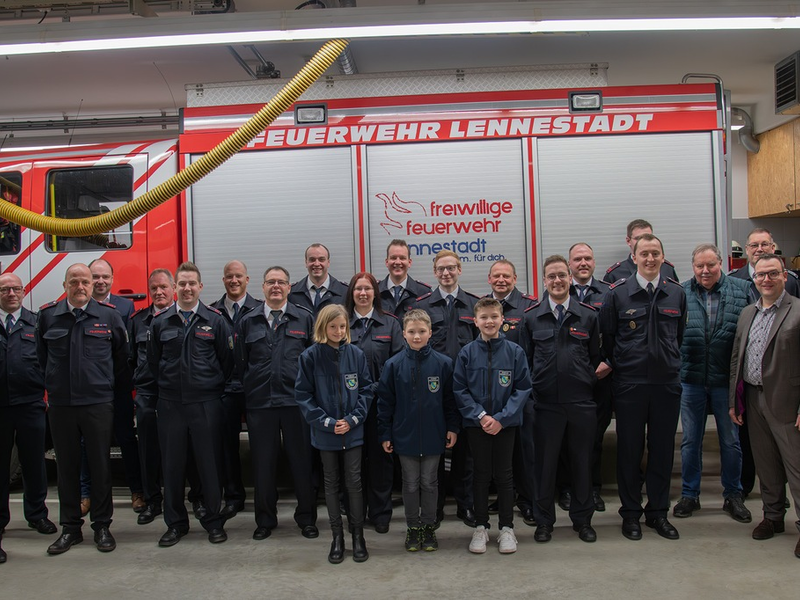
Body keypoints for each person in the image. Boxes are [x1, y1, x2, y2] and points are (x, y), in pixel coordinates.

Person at [599, 233, 686, 541]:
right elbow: (608, 338)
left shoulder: (676, 293)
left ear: (663, 257)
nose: (650, 259)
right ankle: (631, 513)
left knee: (662, 451)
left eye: (656, 253)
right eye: (644, 253)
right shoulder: (618, 294)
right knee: (629, 451)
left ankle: (658, 513)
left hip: (666, 384)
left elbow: (679, 336)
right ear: (633, 257)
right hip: (630, 385)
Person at [36, 263, 128, 555]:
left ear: (92, 285)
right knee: (67, 468)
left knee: (101, 466)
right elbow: (41, 357)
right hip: (62, 405)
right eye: (74, 281)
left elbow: (121, 358)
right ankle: (70, 528)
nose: (80, 286)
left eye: (85, 281)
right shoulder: (48, 316)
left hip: (98, 403)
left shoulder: (109, 316)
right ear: (65, 285)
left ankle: (102, 526)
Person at [147, 262, 233, 547]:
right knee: (171, 468)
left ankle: (213, 521)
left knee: (209, 467)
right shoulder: (160, 323)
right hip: (171, 405)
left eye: (191, 283)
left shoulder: (216, 320)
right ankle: (175, 524)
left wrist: (210, 389)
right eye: (181, 284)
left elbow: (227, 361)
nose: (186, 288)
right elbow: (153, 363)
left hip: (206, 404)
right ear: (174, 289)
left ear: (200, 287)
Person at [237, 266, 318, 541]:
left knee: (302, 463)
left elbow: (313, 363)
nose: (275, 286)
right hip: (261, 404)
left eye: (281, 282)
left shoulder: (304, 318)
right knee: (263, 465)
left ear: (288, 287)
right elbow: (240, 363)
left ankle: (306, 518)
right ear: (262, 287)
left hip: (296, 404)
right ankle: (265, 520)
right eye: (270, 282)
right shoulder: (248, 321)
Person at [523, 255, 601, 544]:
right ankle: (544, 522)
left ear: (570, 278)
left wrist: (584, 381)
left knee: (582, 463)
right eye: (551, 276)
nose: (557, 281)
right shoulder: (532, 317)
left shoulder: (589, 316)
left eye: (561, 275)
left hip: (581, 403)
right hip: (545, 406)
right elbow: (525, 362)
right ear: (544, 281)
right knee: (544, 467)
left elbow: (595, 358)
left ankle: (583, 521)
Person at [673, 244, 751, 523]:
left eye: (711, 265)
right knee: (690, 440)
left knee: (730, 441)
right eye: (699, 266)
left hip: (725, 381)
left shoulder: (741, 292)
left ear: (721, 263)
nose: (705, 271)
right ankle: (689, 495)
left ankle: (733, 494)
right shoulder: (680, 292)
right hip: (691, 379)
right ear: (692, 267)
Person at [729, 253, 800, 560]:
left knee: (796, 467)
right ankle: (773, 517)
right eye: (760, 275)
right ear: (753, 278)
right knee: (766, 463)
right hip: (754, 399)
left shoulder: (798, 312)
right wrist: (735, 400)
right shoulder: (748, 313)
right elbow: (737, 359)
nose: (766, 280)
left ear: (785, 276)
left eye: (772, 274)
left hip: (787, 401)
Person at [295, 304, 373, 564]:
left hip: (352, 432)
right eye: (332, 326)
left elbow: (365, 390)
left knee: (354, 482)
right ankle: (337, 537)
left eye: (342, 326)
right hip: (325, 433)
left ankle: (358, 536)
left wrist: (352, 419)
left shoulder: (357, 354)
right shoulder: (309, 357)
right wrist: (327, 422)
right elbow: (303, 396)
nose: (338, 331)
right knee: (331, 484)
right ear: (322, 327)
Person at [377, 309, 459, 552]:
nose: (416, 336)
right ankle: (413, 527)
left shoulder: (443, 364)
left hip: (435, 435)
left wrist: (453, 427)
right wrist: (385, 433)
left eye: (421, 331)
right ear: (403, 334)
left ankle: (428, 527)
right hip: (404, 436)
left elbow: (450, 401)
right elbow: (385, 403)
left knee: (430, 482)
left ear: (430, 333)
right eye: (411, 332)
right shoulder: (393, 365)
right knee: (410, 483)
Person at [454, 298, 531, 555]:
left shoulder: (515, 352)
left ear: (502, 320)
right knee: (480, 474)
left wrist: (502, 418)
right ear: (475, 321)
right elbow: (460, 389)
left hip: (505, 425)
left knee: (504, 475)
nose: (489, 321)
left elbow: (522, 388)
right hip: (477, 425)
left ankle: (507, 528)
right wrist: (482, 416)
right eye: (484, 317)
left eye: (494, 317)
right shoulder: (466, 353)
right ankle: (480, 526)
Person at [415, 250, 479, 527]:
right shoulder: (423, 307)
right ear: (434, 272)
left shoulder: (474, 305)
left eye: (451, 268)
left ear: (460, 270)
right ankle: (435, 507)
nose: (446, 273)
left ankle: (465, 505)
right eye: (441, 269)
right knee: (434, 452)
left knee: (466, 453)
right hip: (434, 391)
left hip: (466, 390)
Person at [0, 273, 57, 564]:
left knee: (35, 464)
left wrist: (44, 395)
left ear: (24, 292)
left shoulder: (35, 322)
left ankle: (37, 515)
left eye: (16, 289)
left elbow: (48, 360)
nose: (11, 293)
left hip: (31, 405)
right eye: (5, 289)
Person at [345, 272, 403, 534]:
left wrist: (374, 390)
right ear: (351, 293)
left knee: (381, 461)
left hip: (380, 406)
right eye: (358, 289)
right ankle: (355, 513)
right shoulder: (340, 323)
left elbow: (398, 367)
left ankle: (380, 514)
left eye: (368, 288)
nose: (363, 293)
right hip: (348, 407)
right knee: (352, 463)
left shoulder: (390, 324)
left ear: (375, 293)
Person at [87, 258, 143, 513]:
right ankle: (85, 494)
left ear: (112, 279)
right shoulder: (78, 304)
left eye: (104, 277)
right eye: (95, 277)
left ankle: (137, 491)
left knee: (127, 439)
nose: (100, 281)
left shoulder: (124, 306)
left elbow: (128, 348)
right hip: (88, 389)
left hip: (117, 386)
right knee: (86, 442)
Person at [560, 242, 613, 513]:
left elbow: (617, 336)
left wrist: (608, 362)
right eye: (577, 259)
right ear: (570, 264)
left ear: (594, 262)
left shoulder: (608, 293)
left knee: (594, 438)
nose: (583, 263)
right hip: (569, 383)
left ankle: (593, 489)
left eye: (587, 258)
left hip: (600, 379)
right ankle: (569, 489)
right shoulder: (557, 291)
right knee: (568, 437)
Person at [486, 259, 538, 526]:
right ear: (489, 279)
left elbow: (531, 351)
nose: (501, 280)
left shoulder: (529, 307)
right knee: (498, 451)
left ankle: (527, 500)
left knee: (524, 450)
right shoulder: (484, 307)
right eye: (497, 276)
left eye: (506, 276)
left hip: (520, 393)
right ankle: (505, 496)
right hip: (492, 394)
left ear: (515, 279)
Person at [210, 260, 261, 520]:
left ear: (247, 279)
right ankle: (233, 497)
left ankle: (265, 496)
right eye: (229, 276)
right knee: (227, 446)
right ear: (223, 280)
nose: (234, 280)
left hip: (254, 389)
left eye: (238, 276)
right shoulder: (213, 313)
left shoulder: (259, 310)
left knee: (263, 446)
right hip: (226, 389)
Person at [603, 219, 678, 284]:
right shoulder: (615, 273)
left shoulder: (667, 269)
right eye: (638, 238)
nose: (644, 242)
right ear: (628, 241)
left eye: (648, 237)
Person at [288, 243, 348, 317]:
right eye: (312, 260)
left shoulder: (345, 292)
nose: (316, 264)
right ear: (306, 262)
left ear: (328, 263)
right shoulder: (292, 293)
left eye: (321, 259)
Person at [378, 239, 431, 316]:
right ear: (387, 262)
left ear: (409, 262)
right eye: (393, 258)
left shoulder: (424, 293)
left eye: (402, 258)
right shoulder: (375, 292)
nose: (398, 262)